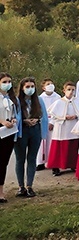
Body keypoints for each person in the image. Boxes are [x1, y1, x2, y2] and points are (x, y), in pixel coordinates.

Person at [14, 77, 49, 197]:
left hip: (35, 130)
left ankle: (29, 185)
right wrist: (24, 121)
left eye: (32, 87)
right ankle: (21, 186)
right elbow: (15, 116)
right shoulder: (17, 101)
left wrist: (37, 120)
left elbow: (44, 116)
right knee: (20, 159)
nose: (30, 89)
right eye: (27, 87)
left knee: (32, 158)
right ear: (22, 88)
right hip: (21, 131)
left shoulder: (39, 100)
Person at [0, 73, 18, 203]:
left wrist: (12, 119)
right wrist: (2, 121)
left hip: (7, 132)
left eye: (9, 81)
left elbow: (12, 112)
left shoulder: (9, 98)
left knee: (3, 162)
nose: (8, 84)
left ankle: (1, 192)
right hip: (1, 127)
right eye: (5, 81)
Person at [36, 79, 60, 171]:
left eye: (51, 83)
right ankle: (40, 162)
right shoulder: (40, 98)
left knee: (52, 143)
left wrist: (52, 122)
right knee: (41, 143)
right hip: (43, 121)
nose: (50, 85)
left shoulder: (57, 97)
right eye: (48, 84)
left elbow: (59, 111)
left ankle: (53, 163)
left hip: (54, 122)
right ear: (43, 87)